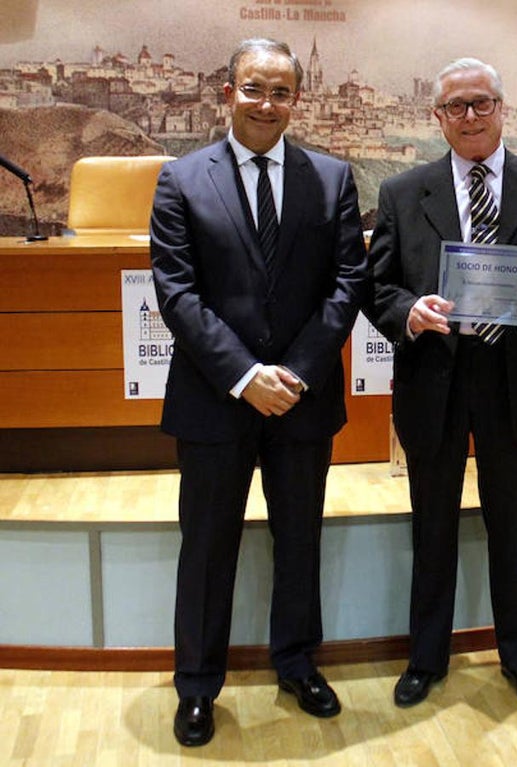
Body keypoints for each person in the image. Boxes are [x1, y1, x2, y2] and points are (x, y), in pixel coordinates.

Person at [150, 38, 367, 747]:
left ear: (296, 100)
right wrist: (246, 377)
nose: (266, 104)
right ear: (228, 93)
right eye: (254, 88)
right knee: (207, 547)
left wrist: (295, 373)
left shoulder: (331, 178)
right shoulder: (181, 179)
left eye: (281, 92)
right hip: (215, 399)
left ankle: (298, 662)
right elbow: (177, 293)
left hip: (302, 399)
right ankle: (196, 685)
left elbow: (347, 284)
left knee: (299, 540)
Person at [363, 57, 517, 708]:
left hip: (512, 382)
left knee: (512, 528)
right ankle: (425, 658)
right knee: (431, 528)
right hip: (433, 380)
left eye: (481, 103)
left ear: (502, 108)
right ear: (437, 117)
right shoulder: (404, 192)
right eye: (455, 106)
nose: (470, 116)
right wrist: (409, 312)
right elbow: (377, 287)